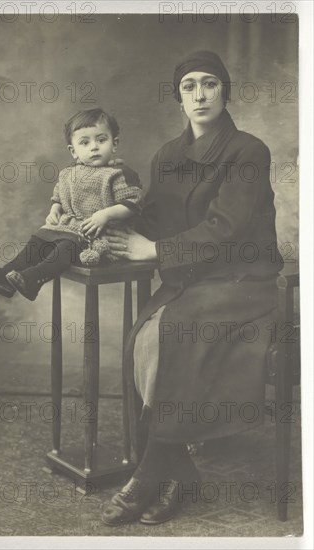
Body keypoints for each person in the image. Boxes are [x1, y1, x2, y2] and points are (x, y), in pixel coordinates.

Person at [102, 50, 284, 526]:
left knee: (174, 333)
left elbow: (226, 227)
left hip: (244, 283)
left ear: (225, 92)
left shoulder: (249, 150)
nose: (200, 95)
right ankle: (179, 470)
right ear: (179, 98)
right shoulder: (167, 155)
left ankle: (149, 473)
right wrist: (115, 215)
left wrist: (155, 252)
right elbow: (155, 213)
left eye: (209, 84)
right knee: (142, 339)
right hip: (193, 281)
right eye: (189, 86)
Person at [0, 108, 142, 301]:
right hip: (69, 228)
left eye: (101, 140)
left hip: (101, 238)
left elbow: (132, 203)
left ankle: (34, 279)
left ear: (114, 143)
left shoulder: (118, 173)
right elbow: (59, 197)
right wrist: (55, 210)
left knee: (66, 246)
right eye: (85, 143)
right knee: (39, 240)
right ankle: (5, 275)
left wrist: (105, 215)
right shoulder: (69, 173)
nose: (94, 147)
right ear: (73, 151)